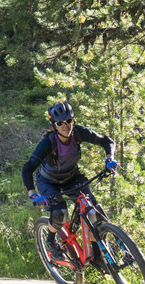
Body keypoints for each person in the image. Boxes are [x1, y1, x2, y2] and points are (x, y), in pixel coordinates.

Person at [21, 101, 118, 261]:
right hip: (48, 182)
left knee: (93, 212)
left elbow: (107, 141)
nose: (66, 126)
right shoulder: (49, 142)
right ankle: (51, 240)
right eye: (60, 123)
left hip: (71, 177)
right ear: (54, 125)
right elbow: (28, 168)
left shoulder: (79, 133)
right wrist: (33, 194)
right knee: (60, 213)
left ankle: (96, 255)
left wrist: (110, 159)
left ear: (74, 120)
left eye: (69, 121)